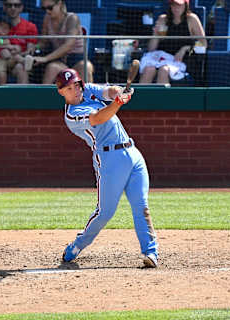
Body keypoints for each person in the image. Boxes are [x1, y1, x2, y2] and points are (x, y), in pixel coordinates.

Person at [56, 68, 158, 268]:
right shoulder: (72, 115)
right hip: (109, 159)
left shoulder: (87, 90)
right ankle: (76, 246)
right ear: (61, 92)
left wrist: (118, 92)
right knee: (105, 213)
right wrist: (118, 104)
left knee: (141, 205)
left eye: (76, 84)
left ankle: (151, 253)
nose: (75, 90)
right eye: (69, 88)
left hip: (132, 152)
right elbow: (99, 117)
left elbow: (108, 91)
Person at [139, 0, 207, 85]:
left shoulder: (192, 19)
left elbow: (203, 44)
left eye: (179, 5)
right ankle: (141, 97)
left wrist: (185, 49)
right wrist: (156, 35)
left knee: (164, 70)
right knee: (149, 69)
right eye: (173, 5)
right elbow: (151, 49)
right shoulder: (163, 19)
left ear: (186, 5)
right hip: (162, 58)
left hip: (183, 61)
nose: (175, 8)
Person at [32, 0, 94, 84]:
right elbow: (43, 42)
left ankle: (87, 96)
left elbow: (68, 45)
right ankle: (44, 96)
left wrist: (45, 58)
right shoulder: (47, 18)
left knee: (86, 66)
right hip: (60, 60)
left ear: (60, 4)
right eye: (44, 8)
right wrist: (35, 47)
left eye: (50, 8)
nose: (47, 11)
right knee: (52, 67)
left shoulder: (72, 18)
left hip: (77, 59)